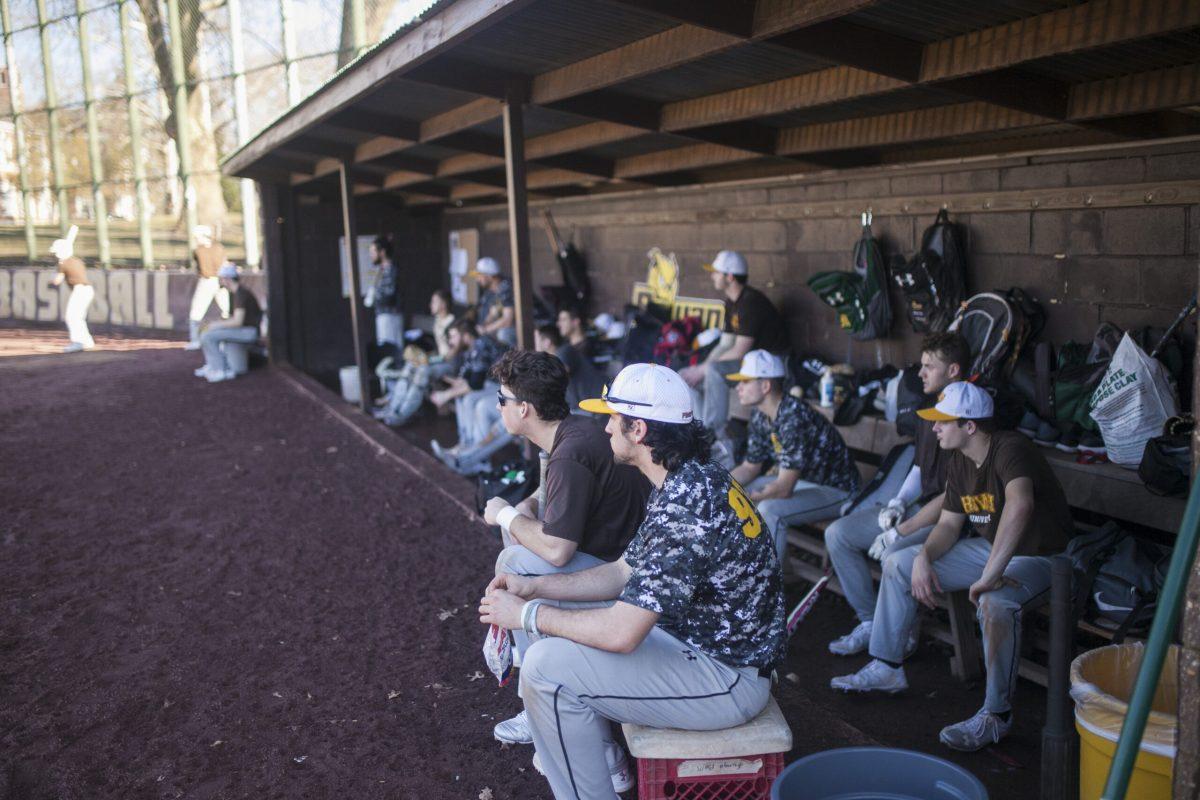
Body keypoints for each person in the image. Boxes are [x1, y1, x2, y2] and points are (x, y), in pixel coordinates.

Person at [479, 363, 786, 800]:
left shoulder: (687, 501)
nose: (605, 428)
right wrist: (534, 588)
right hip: (701, 648)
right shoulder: (689, 477)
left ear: (638, 430)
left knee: (548, 671)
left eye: (613, 418)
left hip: (728, 677)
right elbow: (622, 572)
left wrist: (528, 615)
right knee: (544, 634)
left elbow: (623, 634)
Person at [830, 382, 1074, 752]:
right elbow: (947, 525)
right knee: (900, 563)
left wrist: (990, 576)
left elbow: (1020, 506)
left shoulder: (1010, 448)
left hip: (1043, 557)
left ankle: (996, 715)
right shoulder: (961, 461)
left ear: (970, 425)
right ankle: (887, 666)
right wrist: (924, 558)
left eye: (943, 422)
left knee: (994, 602)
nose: (935, 428)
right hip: (991, 550)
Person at [480, 350, 652, 746]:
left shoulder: (571, 451)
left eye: (502, 399)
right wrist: (528, 505)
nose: (498, 406)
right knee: (520, 553)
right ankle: (536, 665)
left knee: (515, 563)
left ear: (524, 409)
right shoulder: (576, 431)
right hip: (623, 567)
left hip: (622, 584)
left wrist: (506, 515)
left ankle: (546, 708)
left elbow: (557, 551)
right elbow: (559, 487)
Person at [824, 332, 970, 657]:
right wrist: (899, 501)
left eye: (930, 366)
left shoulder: (967, 415)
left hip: (950, 519)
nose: (920, 373)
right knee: (838, 534)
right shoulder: (930, 409)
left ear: (954, 370)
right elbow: (920, 466)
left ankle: (898, 636)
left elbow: (953, 497)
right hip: (918, 507)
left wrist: (902, 529)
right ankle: (869, 621)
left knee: (895, 557)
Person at [728, 350, 860, 565]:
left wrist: (744, 497)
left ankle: (768, 588)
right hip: (804, 484)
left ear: (765, 386)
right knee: (738, 490)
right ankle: (748, 569)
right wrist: (721, 486)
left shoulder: (793, 417)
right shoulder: (761, 414)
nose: (738, 387)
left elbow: (783, 489)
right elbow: (750, 467)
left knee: (770, 510)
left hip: (837, 490)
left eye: (745, 381)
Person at [677, 250, 786, 434]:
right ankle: (697, 429)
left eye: (716, 272)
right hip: (748, 362)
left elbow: (740, 350)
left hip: (771, 364)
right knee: (687, 377)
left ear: (729, 276)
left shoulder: (751, 302)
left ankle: (711, 433)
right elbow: (725, 344)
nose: (712, 276)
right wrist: (698, 368)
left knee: (714, 371)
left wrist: (704, 369)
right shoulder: (731, 302)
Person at [429, 318, 509, 472]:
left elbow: (475, 384)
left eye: (454, 336)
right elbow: (466, 380)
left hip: (507, 389)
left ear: (465, 335)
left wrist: (446, 395)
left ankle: (478, 457)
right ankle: (466, 445)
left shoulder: (481, 343)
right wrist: (447, 389)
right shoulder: (471, 349)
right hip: (497, 388)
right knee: (464, 397)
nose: (451, 340)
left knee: (476, 403)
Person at [195, 263, 262, 383]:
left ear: (227, 278)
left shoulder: (241, 294)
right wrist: (215, 322)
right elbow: (232, 318)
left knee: (208, 336)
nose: (219, 281)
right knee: (207, 331)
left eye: (221, 278)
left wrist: (215, 325)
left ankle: (220, 370)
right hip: (244, 330)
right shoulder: (234, 293)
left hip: (249, 331)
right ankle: (213, 365)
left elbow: (237, 322)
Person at [49, 226, 94, 353]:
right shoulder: (77, 261)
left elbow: (57, 281)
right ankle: (87, 341)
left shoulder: (63, 263)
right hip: (87, 290)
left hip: (80, 290)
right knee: (78, 317)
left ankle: (78, 342)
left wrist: (51, 279)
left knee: (72, 317)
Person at [184, 225, 229, 350]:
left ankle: (196, 340)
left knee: (197, 312)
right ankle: (222, 341)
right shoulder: (218, 248)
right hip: (220, 281)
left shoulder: (199, 250)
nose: (196, 239)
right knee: (226, 310)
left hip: (209, 281)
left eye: (198, 237)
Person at [366, 234, 402, 348]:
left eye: (373, 252)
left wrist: (374, 297)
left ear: (382, 252)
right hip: (382, 315)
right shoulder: (380, 269)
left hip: (390, 316)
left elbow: (388, 294)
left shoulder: (390, 269)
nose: (371, 255)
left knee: (391, 349)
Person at [471, 257, 516, 346]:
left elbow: (508, 320)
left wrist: (486, 329)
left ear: (490, 276)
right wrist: (483, 326)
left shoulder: (506, 287)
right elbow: (493, 313)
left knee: (503, 334)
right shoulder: (495, 290)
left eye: (479, 275)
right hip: (519, 327)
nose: (477, 279)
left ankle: (517, 359)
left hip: (538, 327)